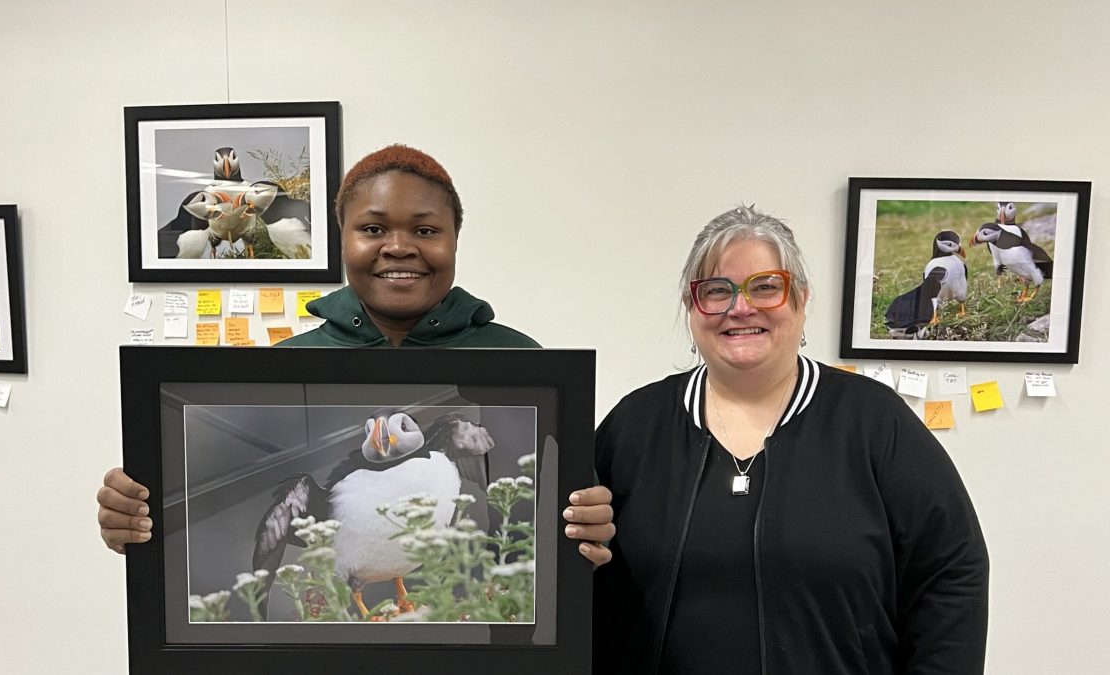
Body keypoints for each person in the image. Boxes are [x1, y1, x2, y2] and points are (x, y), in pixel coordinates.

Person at [98, 144, 614, 567]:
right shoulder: (287, 366)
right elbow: (200, 500)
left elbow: (551, 507)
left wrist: (586, 528)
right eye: (372, 229)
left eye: (425, 230)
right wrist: (142, 517)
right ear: (341, 239)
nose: (398, 247)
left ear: (455, 238)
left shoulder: (518, 361)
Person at [591, 205, 988, 674]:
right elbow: (578, 574)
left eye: (765, 286)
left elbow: (951, 570)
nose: (741, 308)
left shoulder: (873, 422)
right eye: (717, 290)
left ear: (799, 298)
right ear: (691, 307)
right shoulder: (636, 424)